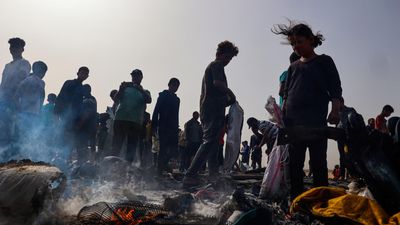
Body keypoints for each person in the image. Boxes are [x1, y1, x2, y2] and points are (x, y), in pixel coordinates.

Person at [273, 21, 342, 200]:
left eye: (299, 42)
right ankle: (296, 200)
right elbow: (287, 95)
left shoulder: (324, 61)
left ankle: (322, 200)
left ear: (311, 40)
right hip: (294, 124)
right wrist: (282, 115)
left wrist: (335, 110)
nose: (296, 47)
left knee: (318, 162)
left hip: (316, 122)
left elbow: (335, 89)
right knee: (294, 165)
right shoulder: (292, 67)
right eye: (293, 44)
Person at [183, 41, 238, 187]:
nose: (228, 61)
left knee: (213, 144)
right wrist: (231, 93)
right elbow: (218, 84)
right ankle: (190, 174)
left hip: (213, 109)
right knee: (208, 142)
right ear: (220, 54)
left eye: (230, 59)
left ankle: (213, 176)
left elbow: (216, 94)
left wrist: (228, 101)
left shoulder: (215, 66)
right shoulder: (216, 65)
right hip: (211, 110)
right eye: (227, 57)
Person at [111, 69, 151, 164]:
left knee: (131, 148)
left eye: (137, 76)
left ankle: (126, 169)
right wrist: (121, 88)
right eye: (133, 76)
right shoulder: (126, 88)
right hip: (120, 119)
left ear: (141, 78)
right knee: (116, 145)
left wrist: (140, 89)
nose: (135, 78)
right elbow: (116, 99)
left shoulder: (145, 91)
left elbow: (149, 100)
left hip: (135, 122)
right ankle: (111, 168)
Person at [0, 37, 31, 147]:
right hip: (3, 102)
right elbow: (2, 84)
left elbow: (22, 81)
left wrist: (15, 98)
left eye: (16, 47)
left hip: (15, 102)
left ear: (22, 49)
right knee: (3, 130)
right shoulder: (7, 66)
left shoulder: (24, 63)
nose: (13, 49)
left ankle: (14, 158)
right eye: (11, 47)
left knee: (14, 130)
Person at [54, 66, 89, 160]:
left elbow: (80, 105)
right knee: (64, 138)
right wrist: (57, 112)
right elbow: (61, 96)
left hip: (75, 118)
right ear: (77, 73)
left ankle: (67, 159)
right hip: (65, 115)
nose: (83, 75)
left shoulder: (82, 88)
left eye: (85, 74)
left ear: (87, 76)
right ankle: (60, 159)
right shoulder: (69, 83)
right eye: (82, 73)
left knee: (72, 139)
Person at [152, 78, 180, 175]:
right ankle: (159, 171)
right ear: (169, 85)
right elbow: (156, 111)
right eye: (173, 85)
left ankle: (163, 165)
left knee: (173, 151)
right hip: (163, 126)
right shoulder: (163, 96)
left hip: (173, 128)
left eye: (177, 86)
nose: (175, 87)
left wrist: (177, 128)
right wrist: (154, 125)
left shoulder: (177, 100)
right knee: (162, 149)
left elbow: (177, 115)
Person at [15, 61, 47, 140]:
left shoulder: (26, 80)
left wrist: (18, 108)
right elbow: (42, 97)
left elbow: (17, 95)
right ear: (42, 72)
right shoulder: (40, 82)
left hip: (25, 111)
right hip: (31, 113)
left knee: (23, 135)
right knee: (29, 135)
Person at [76, 84, 97, 163]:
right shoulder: (92, 99)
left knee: (82, 144)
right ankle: (91, 162)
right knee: (92, 145)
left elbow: (86, 113)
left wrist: (79, 124)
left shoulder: (88, 100)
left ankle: (83, 162)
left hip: (86, 127)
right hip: (91, 126)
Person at [336, 97, 357, 180]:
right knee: (342, 156)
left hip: (349, 137)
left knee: (350, 155)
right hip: (340, 137)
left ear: (342, 102)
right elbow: (336, 124)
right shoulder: (336, 112)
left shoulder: (351, 110)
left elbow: (355, 122)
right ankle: (342, 175)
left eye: (337, 103)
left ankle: (353, 175)